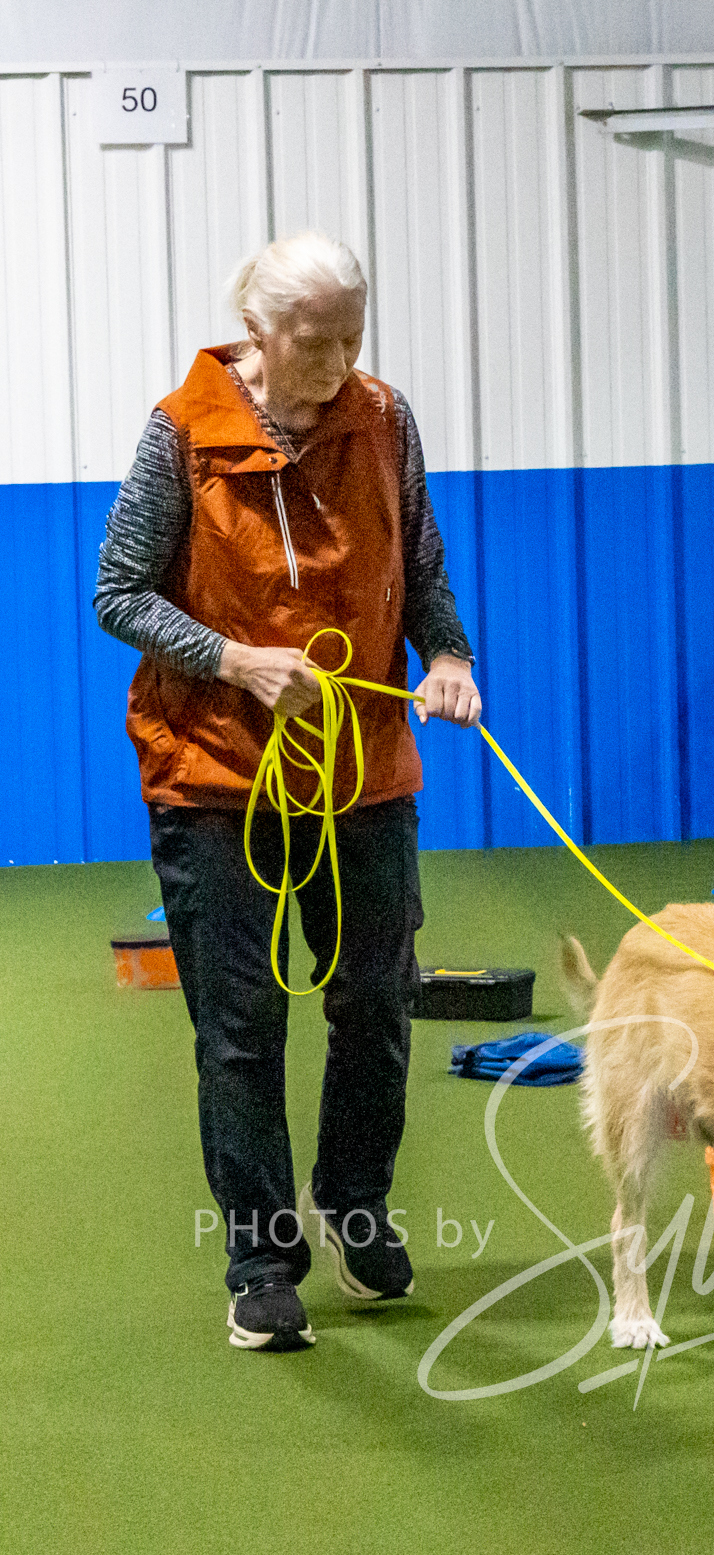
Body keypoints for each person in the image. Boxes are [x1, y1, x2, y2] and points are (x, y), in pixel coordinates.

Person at [95, 231, 480, 1352]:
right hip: (215, 774)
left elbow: (421, 566)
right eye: (315, 342)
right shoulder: (181, 433)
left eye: (352, 337)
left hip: (364, 770)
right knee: (241, 1022)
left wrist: (446, 654)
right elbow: (118, 592)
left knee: (377, 997)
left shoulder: (386, 420)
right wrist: (234, 660)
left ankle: (355, 1205)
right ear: (257, 330)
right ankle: (262, 1262)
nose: (338, 362)